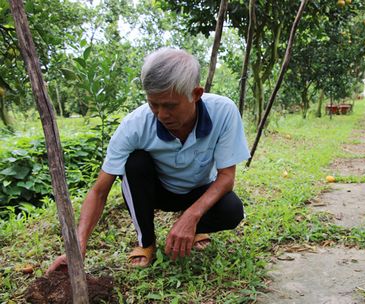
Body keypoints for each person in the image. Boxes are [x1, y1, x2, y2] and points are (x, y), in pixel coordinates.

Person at [47, 47, 250, 270]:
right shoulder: (134, 125)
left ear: (196, 94)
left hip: (198, 190)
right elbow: (99, 191)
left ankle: (193, 226)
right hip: (158, 192)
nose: (162, 115)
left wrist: (191, 215)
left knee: (232, 211)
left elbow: (226, 177)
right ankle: (147, 242)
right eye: (154, 104)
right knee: (135, 161)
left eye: (170, 106)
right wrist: (78, 248)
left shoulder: (223, 112)